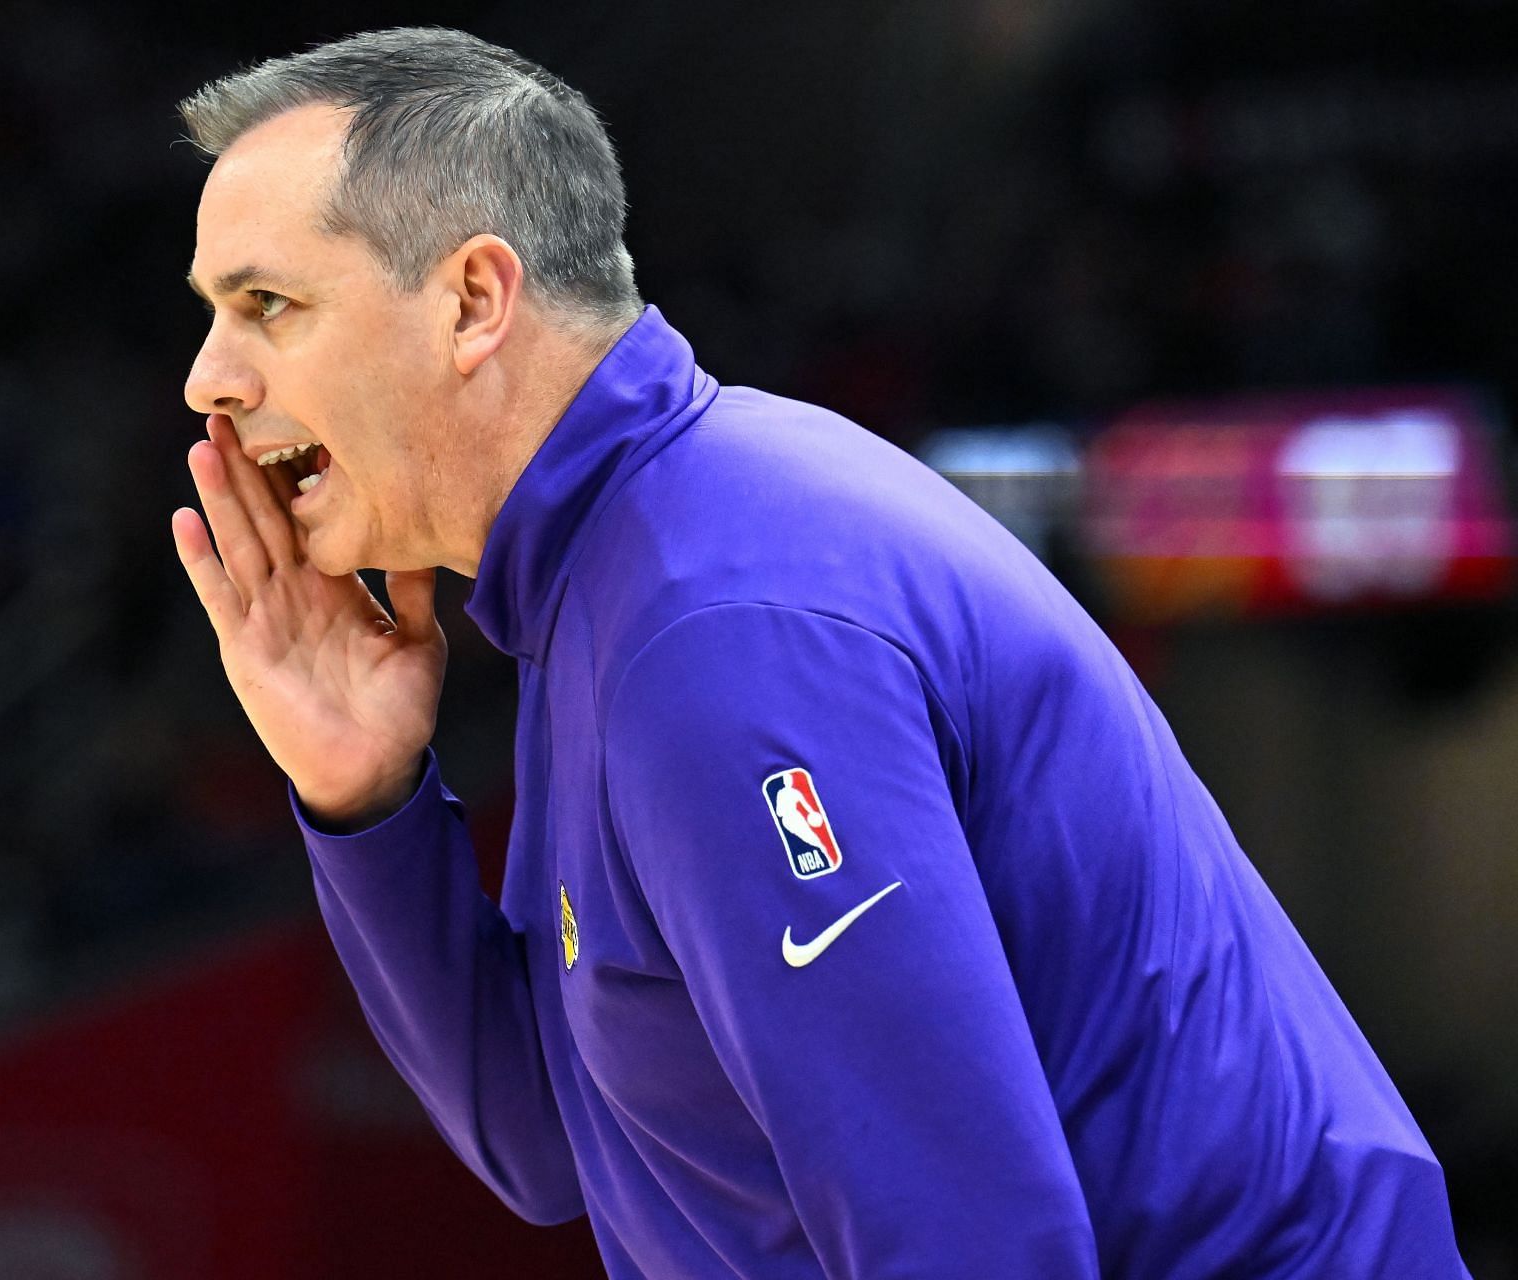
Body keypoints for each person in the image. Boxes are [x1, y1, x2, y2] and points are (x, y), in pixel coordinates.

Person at [168, 27, 1469, 1279]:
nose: (208, 378)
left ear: (472, 300)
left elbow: (970, 1253)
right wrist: (367, 798)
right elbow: (565, 1142)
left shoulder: (715, 629)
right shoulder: (623, 568)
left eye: (266, 304)